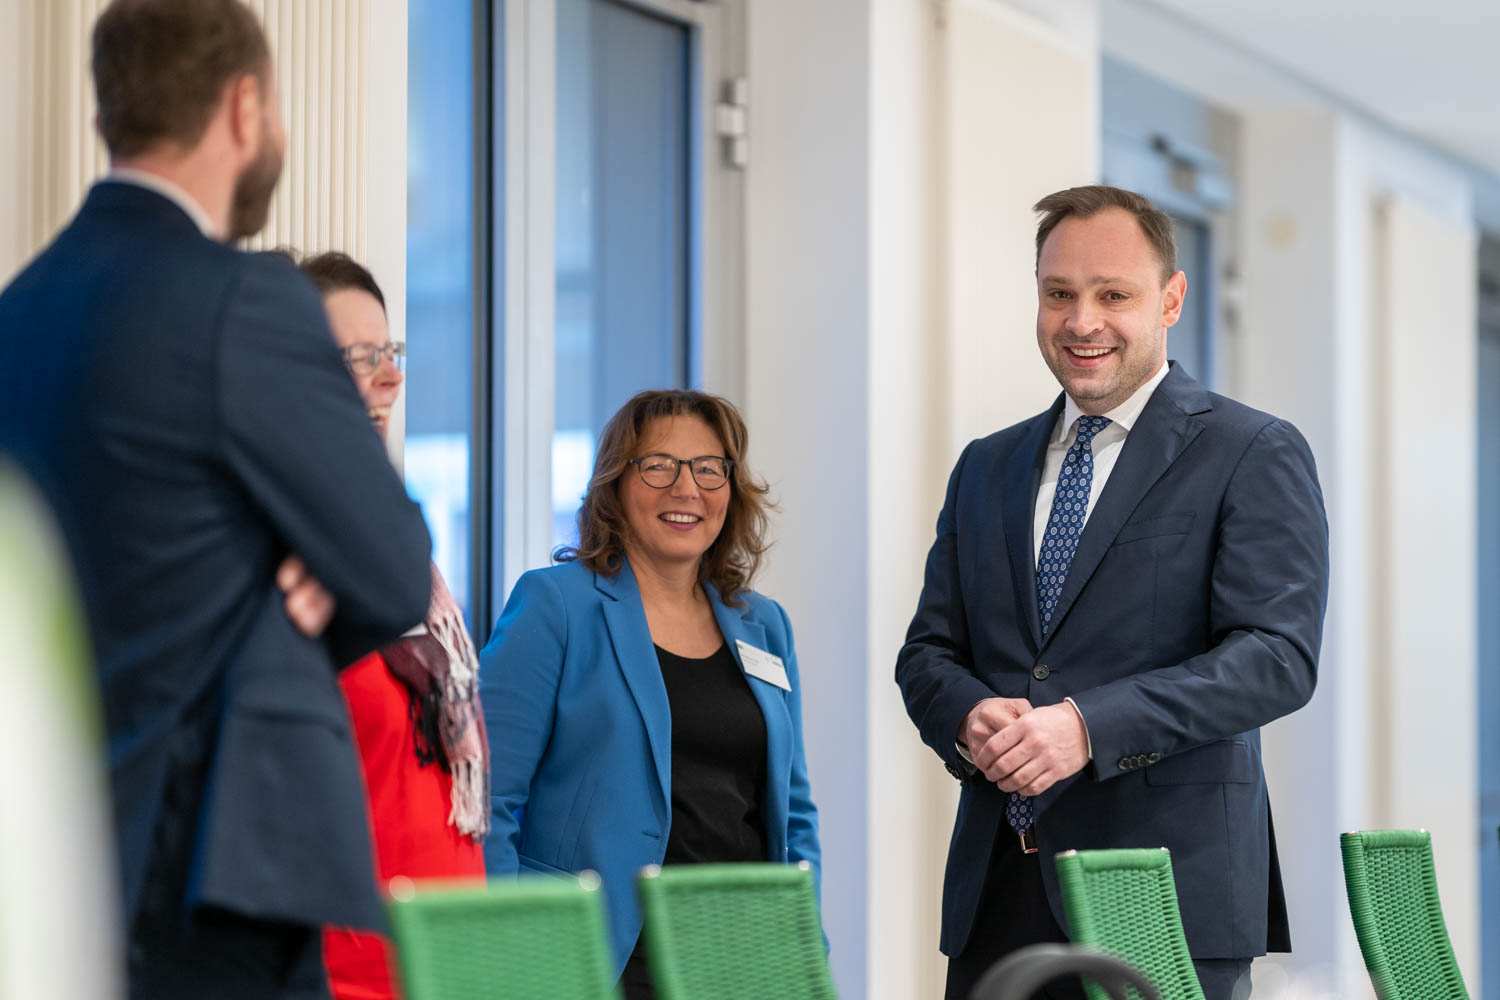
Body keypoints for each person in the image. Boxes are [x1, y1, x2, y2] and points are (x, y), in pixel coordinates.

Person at [0, 2, 433, 997]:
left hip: (58, 860)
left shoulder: (17, 314)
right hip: (214, 871)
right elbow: (391, 564)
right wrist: (297, 570)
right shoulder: (245, 300)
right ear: (244, 108)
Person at [896, 185, 1329, 1000]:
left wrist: (1089, 727)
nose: (1082, 321)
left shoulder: (1251, 450)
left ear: (1171, 299)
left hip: (1164, 893)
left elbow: (1276, 658)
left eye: (1113, 295)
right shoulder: (987, 466)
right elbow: (928, 652)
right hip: (1000, 897)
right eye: (1059, 293)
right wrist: (966, 715)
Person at [480, 389, 822, 998]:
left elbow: (793, 813)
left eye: (708, 468)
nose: (686, 488)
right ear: (615, 483)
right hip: (601, 952)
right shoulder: (556, 606)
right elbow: (488, 799)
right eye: (658, 466)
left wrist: (803, 947)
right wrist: (515, 952)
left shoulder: (763, 624)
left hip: (740, 954)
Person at [298, 251, 489, 1000]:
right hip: (345, 973)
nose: (390, 378)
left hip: (453, 962)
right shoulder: (280, 562)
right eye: (358, 357)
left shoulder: (403, 557)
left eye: (390, 353)